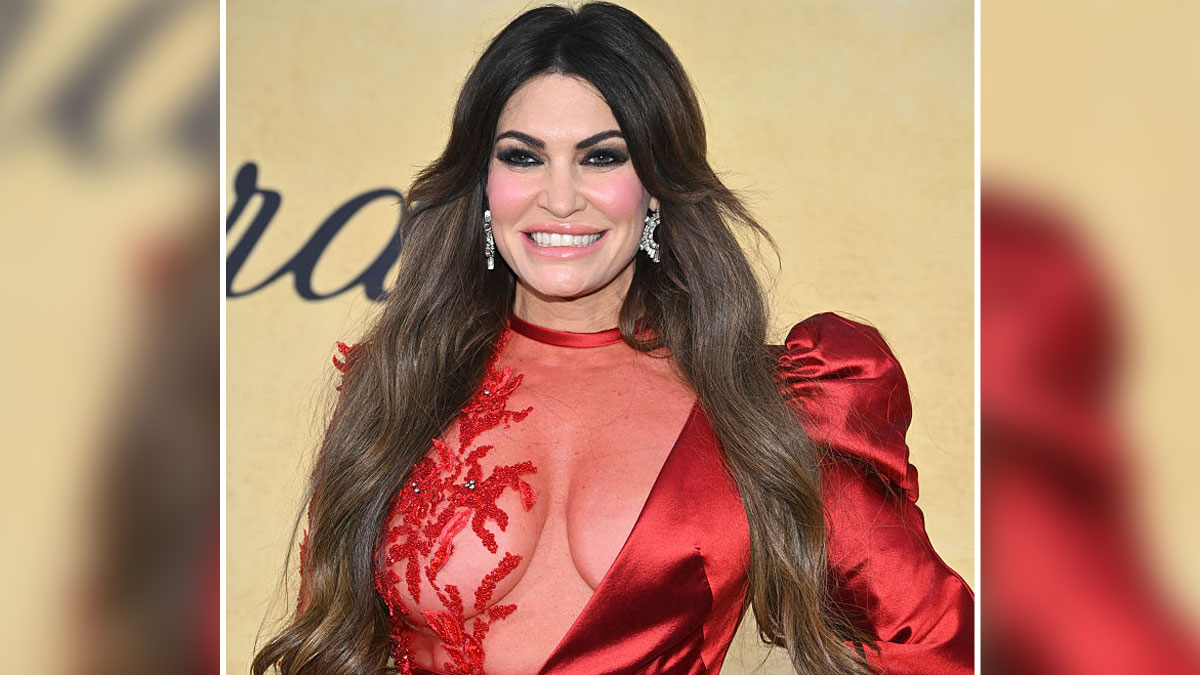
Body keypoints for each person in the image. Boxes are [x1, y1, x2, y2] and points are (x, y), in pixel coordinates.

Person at [252, 3, 973, 674]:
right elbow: (328, 639)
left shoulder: (772, 403)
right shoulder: (398, 385)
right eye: (522, 156)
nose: (559, 197)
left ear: (656, 185)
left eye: (602, 157)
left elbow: (937, 640)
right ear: (481, 183)